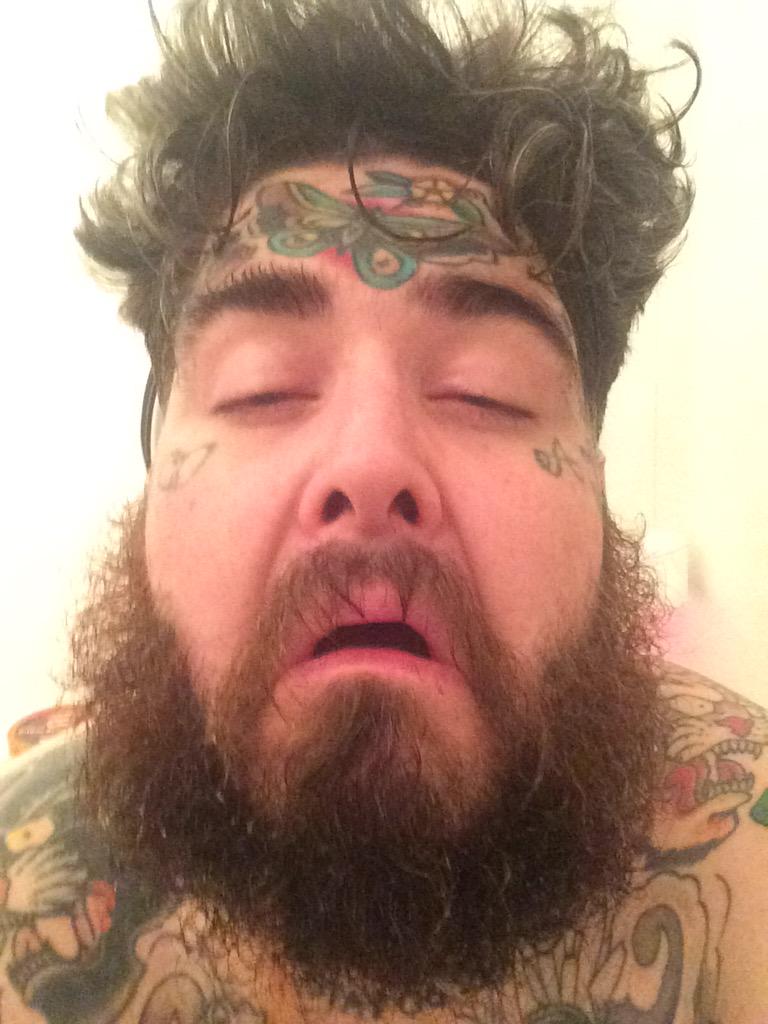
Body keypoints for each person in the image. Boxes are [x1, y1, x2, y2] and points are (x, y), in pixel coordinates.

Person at [1, 0, 766, 1020]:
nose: (369, 463)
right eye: (263, 387)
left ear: (595, 473)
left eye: (487, 391)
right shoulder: (23, 884)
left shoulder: (741, 847)